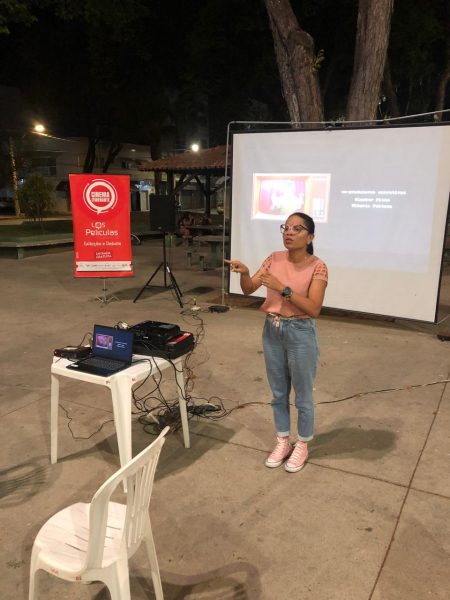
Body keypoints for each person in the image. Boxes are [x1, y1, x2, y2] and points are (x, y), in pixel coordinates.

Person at [225, 212, 328, 473]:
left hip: (300, 332)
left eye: (297, 228)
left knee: (303, 395)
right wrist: (245, 273)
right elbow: (249, 288)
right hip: (272, 330)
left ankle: (302, 443)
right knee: (278, 392)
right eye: (286, 227)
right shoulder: (274, 258)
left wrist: (283, 288)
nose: (289, 232)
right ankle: (283, 440)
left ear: (310, 237)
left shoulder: (318, 266)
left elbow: (314, 308)